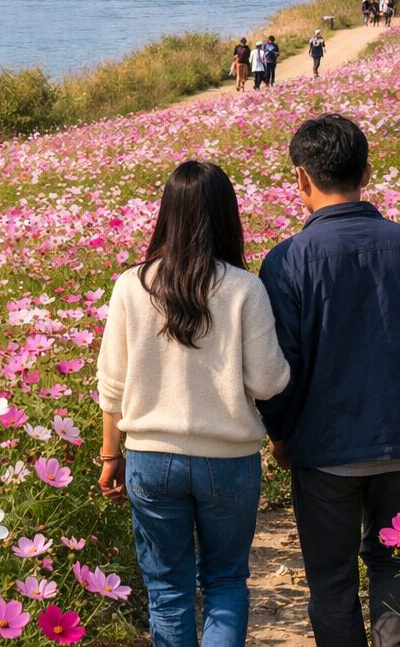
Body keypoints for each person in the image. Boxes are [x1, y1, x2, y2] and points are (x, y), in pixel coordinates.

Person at [256, 115, 400, 647]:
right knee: (396, 568)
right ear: (366, 172)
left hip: (325, 450)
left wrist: (279, 435)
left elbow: (283, 366)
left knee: (332, 580)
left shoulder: (286, 261)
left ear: (300, 179)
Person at [97, 161, 290, 647]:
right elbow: (269, 383)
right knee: (225, 579)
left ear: (167, 215)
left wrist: (110, 455)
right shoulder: (245, 288)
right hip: (227, 460)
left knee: (167, 588)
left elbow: (112, 386)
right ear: (228, 216)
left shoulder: (131, 285)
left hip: (150, 458)